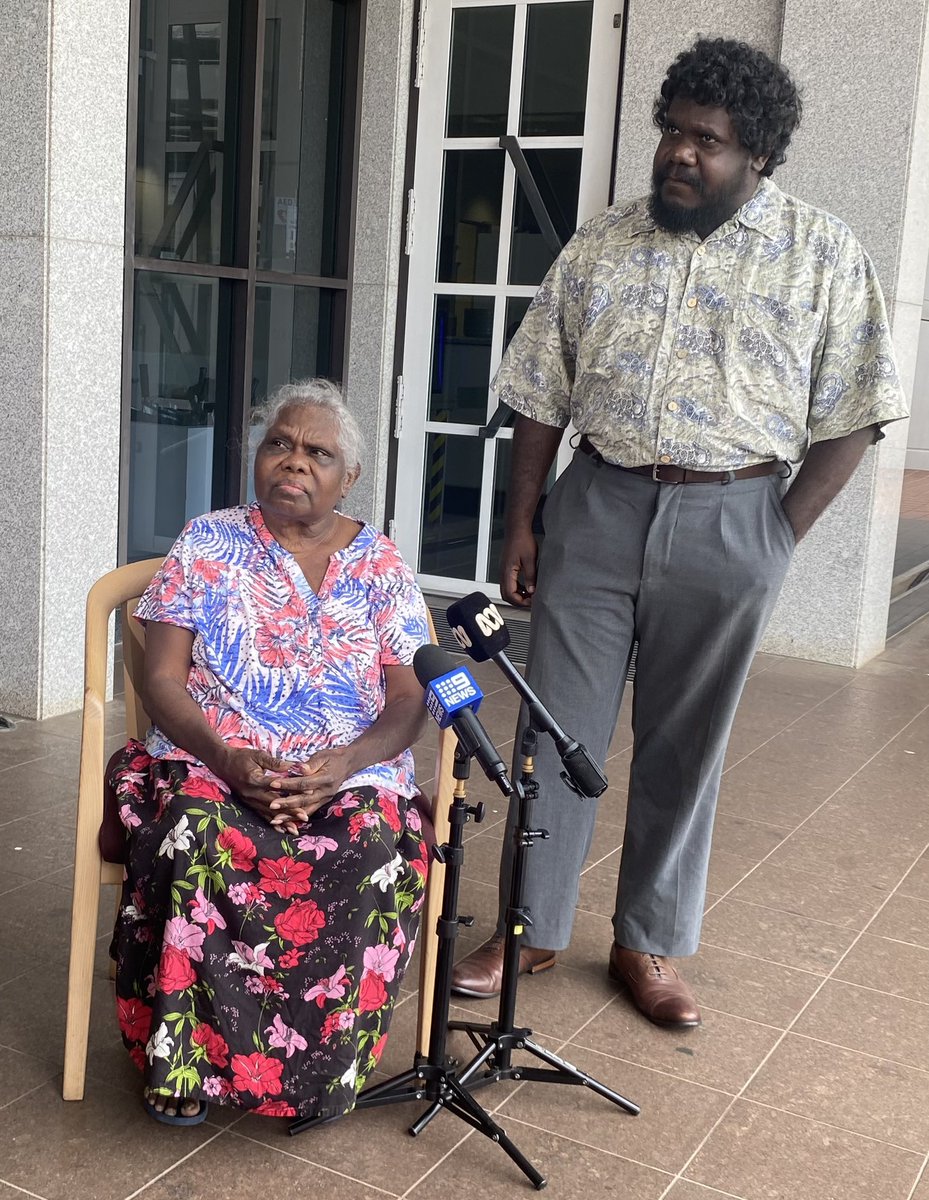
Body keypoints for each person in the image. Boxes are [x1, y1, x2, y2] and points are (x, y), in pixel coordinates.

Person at [451, 38, 908, 1027]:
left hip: (732, 514)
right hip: (597, 506)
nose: (678, 155)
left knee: (683, 744)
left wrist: (773, 535)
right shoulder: (603, 243)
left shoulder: (822, 253)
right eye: (672, 132)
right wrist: (520, 523)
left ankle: (644, 943)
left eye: (705, 141)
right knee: (550, 727)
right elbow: (538, 393)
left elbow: (857, 414)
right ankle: (527, 926)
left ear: (757, 156)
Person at [109, 378, 431, 1123]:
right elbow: (159, 678)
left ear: (348, 477)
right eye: (278, 444)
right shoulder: (207, 541)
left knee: (376, 843)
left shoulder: (381, 565)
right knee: (192, 836)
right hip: (213, 757)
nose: (294, 462)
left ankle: (312, 1076)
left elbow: (410, 695)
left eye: (317, 452)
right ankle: (182, 1066)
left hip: (346, 769)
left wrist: (343, 766)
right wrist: (226, 759)